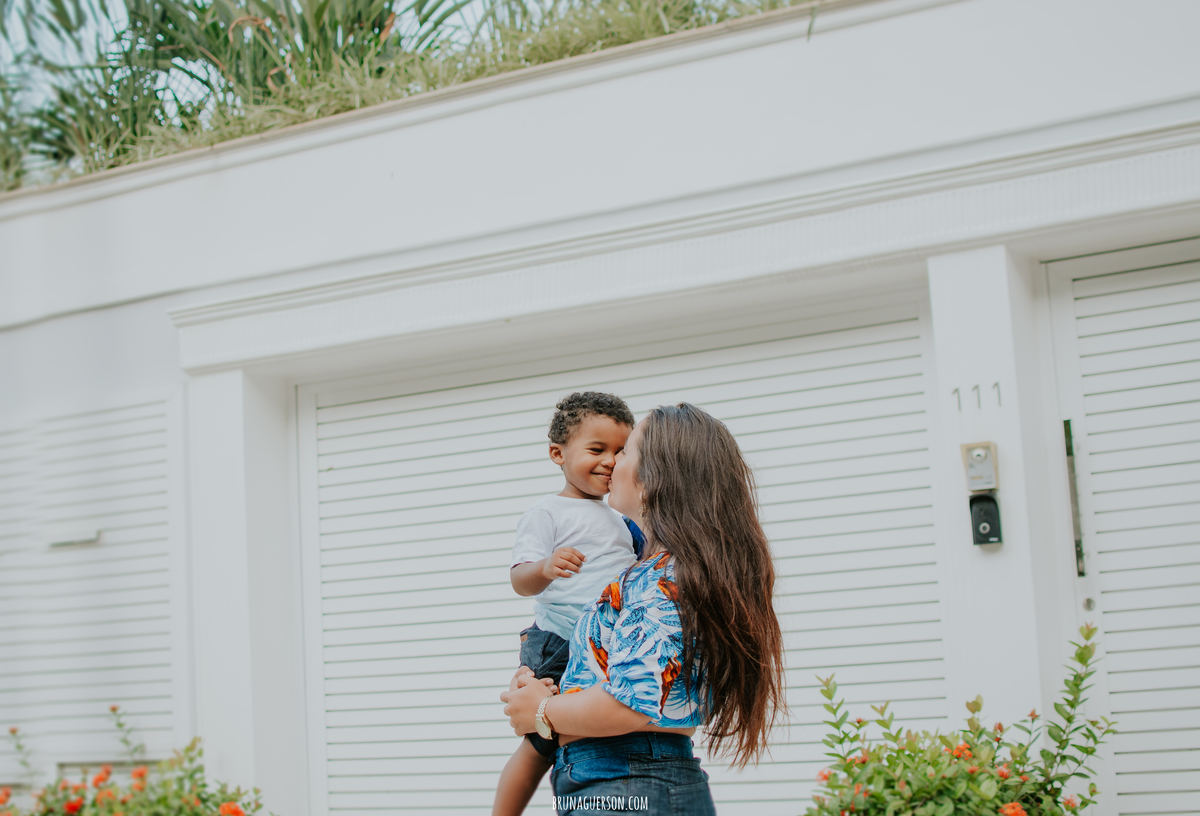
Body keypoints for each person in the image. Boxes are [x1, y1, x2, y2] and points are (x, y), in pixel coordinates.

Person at [500, 403, 786, 815]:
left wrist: (541, 710)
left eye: (626, 452)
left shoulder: (661, 580)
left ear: (655, 478)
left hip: (627, 782)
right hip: (629, 780)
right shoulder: (659, 571)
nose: (613, 463)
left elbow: (630, 703)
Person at [492, 392, 643, 816]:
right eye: (596, 449)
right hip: (558, 639)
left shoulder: (622, 517)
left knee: (593, 722)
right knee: (541, 743)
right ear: (558, 453)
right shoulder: (548, 513)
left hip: (603, 642)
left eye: (620, 450)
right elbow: (520, 580)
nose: (610, 461)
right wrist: (546, 566)